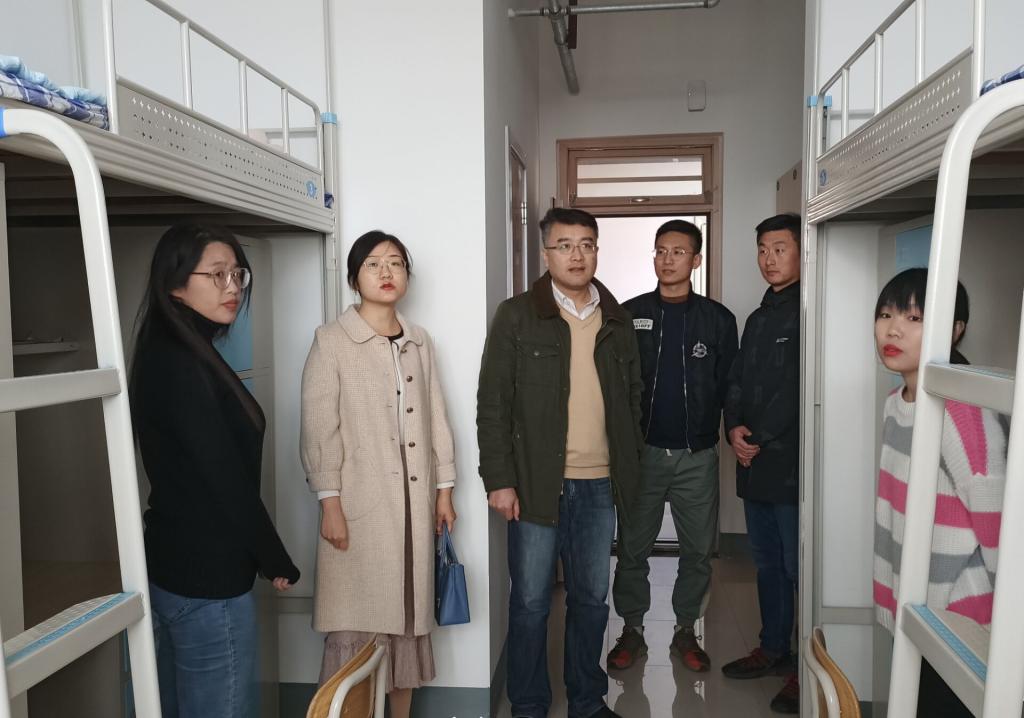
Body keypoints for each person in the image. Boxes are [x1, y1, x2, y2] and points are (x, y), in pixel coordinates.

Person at [477, 207, 643, 718]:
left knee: (591, 600)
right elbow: (493, 403)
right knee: (530, 602)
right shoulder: (516, 315)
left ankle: (587, 701)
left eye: (586, 244)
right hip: (535, 483)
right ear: (546, 253)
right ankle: (528, 704)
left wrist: (630, 469)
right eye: (565, 245)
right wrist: (499, 479)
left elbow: (633, 399)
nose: (577, 255)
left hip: (599, 485)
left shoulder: (616, 319)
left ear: (596, 251)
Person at [130, 223, 300, 718]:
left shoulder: (177, 347)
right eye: (217, 274)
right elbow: (223, 479)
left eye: (237, 274)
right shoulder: (180, 361)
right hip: (206, 581)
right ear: (175, 284)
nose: (233, 287)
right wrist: (274, 557)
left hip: (176, 565)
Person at [300, 230, 457, 718]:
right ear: (354, 278)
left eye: (396, 263)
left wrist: (444, 490)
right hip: (358, 508)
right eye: (373, 264)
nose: (386, 272)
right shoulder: (331, 341)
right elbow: (318, 428)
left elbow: (436, 415)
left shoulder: (419, 341)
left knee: (406, 622)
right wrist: (330, 503)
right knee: (357, 623)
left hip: (414, 509)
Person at [873, 268, 1007, 717]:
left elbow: (999, 523)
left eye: (914, 319)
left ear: (955, 330)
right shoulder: (897, 402)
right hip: (918, 604)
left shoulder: (962, 410)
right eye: (886, 314)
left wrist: (1009, 629)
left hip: (960, 617)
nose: (893, 330)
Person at [608, 219, 738, 672]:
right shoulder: (629, 314)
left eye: (678, 252)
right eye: (661, 251)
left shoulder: (718, 320)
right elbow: (614, 383)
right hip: (642, 455)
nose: (667, 259)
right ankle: (632, 630)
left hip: (696, 456)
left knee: (697, 551)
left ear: (696, 260)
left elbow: (731, 386)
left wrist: (731, 430)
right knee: (632, 549)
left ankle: (686, 630)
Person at [720, 213, 802, 714]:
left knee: (797, 567)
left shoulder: (810, 311)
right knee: (767, 563)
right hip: (753, 464)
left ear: (802, 251)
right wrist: (733, 428)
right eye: (763, 249)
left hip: (791, 467)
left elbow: (798, 389)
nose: (769, 259)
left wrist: (759, 437)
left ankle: (803, 669)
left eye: (780, 248)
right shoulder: (757, 318)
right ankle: (773, 649)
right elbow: (736, 380)